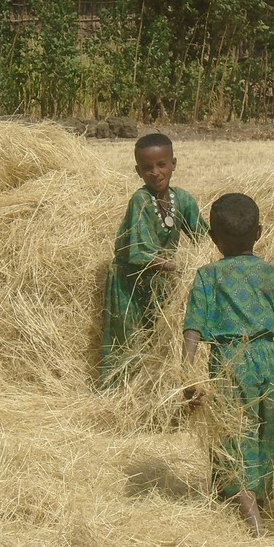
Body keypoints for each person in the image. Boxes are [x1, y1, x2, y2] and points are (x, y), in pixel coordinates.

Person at [182, 193, 274, 535]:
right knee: (264, 432)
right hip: (268, 362)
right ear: (259, 232)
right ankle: (257, 508)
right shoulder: (273, 275)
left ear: (214, 239)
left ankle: (254, 526)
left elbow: (193, 330)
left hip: (230, 363)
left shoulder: (208, 276)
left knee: (231, 438)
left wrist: (187, 377)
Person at [100, 133, 209, 388]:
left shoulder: (182, 199)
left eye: (162, 165)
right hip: (131, 284)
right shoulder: (140, 200)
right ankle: (121, 396)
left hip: (160, 282)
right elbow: (138, 252)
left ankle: (154, 390)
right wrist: (179, 268)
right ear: (138, 171)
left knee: (157, 338)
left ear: (174, 163)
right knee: (129, 340)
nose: (156, 173)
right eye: (147, 168)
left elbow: (203, 237)